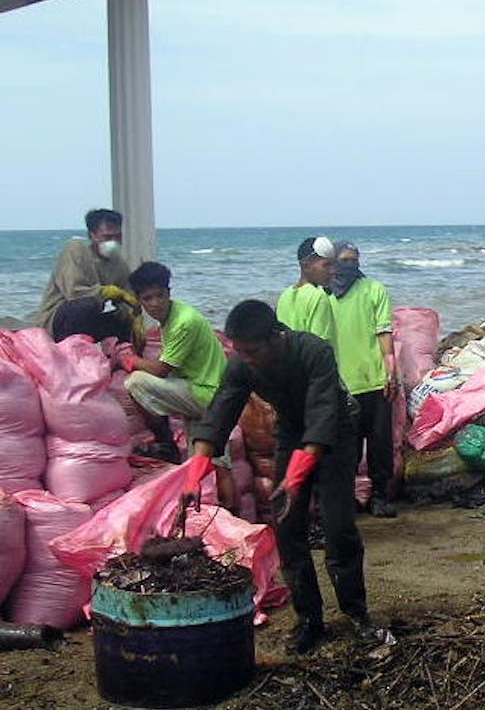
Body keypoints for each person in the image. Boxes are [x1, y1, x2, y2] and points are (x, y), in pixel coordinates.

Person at [185, 299, 375, 654]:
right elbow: (218, 416)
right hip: (291, 432)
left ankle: (357, 614)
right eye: (240, 351)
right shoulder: (243, 364)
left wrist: (295, 478)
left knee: (338, 528)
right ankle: (309, 620)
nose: (248, 358)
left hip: (336, 432)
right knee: (287, 528)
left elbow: (322, 418)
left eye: (253, 350)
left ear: (276, 336)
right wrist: (194, 475)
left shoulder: (314, 351)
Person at [120, 263, 232, 499]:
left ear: (169, 293)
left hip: (205, 394)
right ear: (140, 300)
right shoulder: (172, 319)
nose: (155, 303)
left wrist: (128, 360)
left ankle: (164, 441)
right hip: (212, 397)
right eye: (147, 298)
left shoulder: (183, 322)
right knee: (213, 462)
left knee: (135, 382)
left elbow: (161, 370)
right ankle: (229, 518)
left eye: (160, 295)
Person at [329, 240, 398, 518]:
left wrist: (391, 370)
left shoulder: (373, 290)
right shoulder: (323, 296)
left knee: (380, 443)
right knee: (348, 448)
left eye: (355, 259)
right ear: (332, 262)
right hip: (341, 384)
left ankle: (380, 495)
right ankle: (347, 499)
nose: (351, 265)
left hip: (374, 380)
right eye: (344, 259)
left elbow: (384, 332)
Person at [33, 208, 138, 344]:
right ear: (92, 235)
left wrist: (133, 313)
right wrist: (105, 292)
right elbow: (74, 293)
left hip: (89, 320)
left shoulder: (118, 264)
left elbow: (127, 293)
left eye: (118, 237)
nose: (113, 242)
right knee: (88, 305)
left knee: (124, 318)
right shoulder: (75, 250)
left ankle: (122, 355)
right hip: (57, 321)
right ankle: (69, 353)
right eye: (107, 237)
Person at [277, 236, 337, 344]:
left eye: (332, 265)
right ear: (306, 266)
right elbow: (320, 346)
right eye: (326, 265)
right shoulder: (318, 297)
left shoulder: (284, 295)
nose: (332, 271)